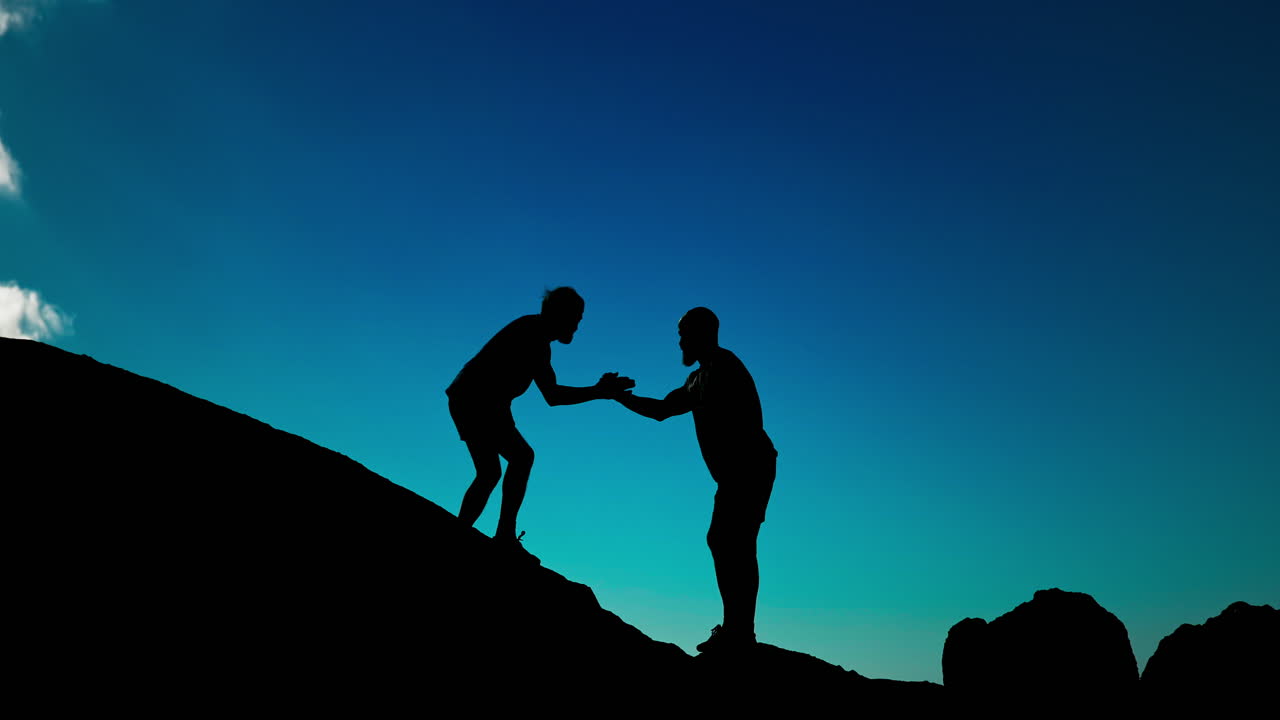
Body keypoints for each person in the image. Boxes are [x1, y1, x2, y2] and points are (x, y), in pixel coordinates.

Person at [609, 307, 777, 652]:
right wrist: (619, 398)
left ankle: (739, 632)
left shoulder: (725, 368)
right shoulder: (697, 378)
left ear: (704, 334)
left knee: (734, 542)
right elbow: (660, 410)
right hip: (735, 474)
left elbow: (740, 424)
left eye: (684, 335)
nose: (680, 342)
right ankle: (737, 629)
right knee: (724, 541)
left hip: (750, 468)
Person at [447, 287, 633, 562]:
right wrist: (599, 391)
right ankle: (499, 536)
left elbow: (552, 394)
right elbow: (554, 397)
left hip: (481, 401)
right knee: (513, 461)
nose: (578, 325)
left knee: (494, 470)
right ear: (560, 315)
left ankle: (475, 533)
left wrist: (598, 391)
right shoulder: (532, 335)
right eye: (576, 317)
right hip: (477, 400)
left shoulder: (536, 337)